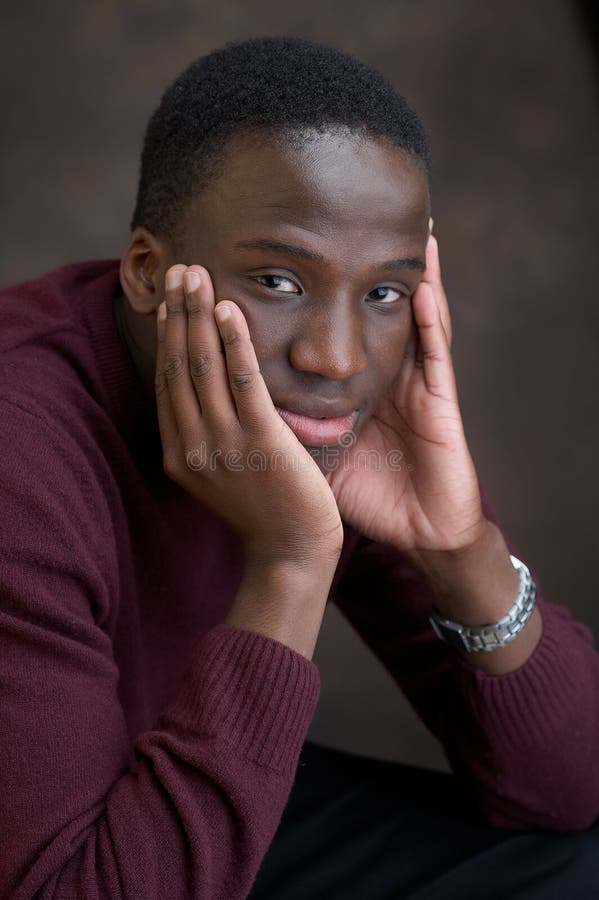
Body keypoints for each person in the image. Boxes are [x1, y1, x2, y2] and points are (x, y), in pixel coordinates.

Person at [0, 35, 597, 900]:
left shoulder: (340, 417)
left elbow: (567, 791)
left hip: (174, 782)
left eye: (384, 292)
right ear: (147, 273)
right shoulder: (23, 450)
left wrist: (458, 546)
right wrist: (291, 560)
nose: (336, 357)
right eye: (278, 279)